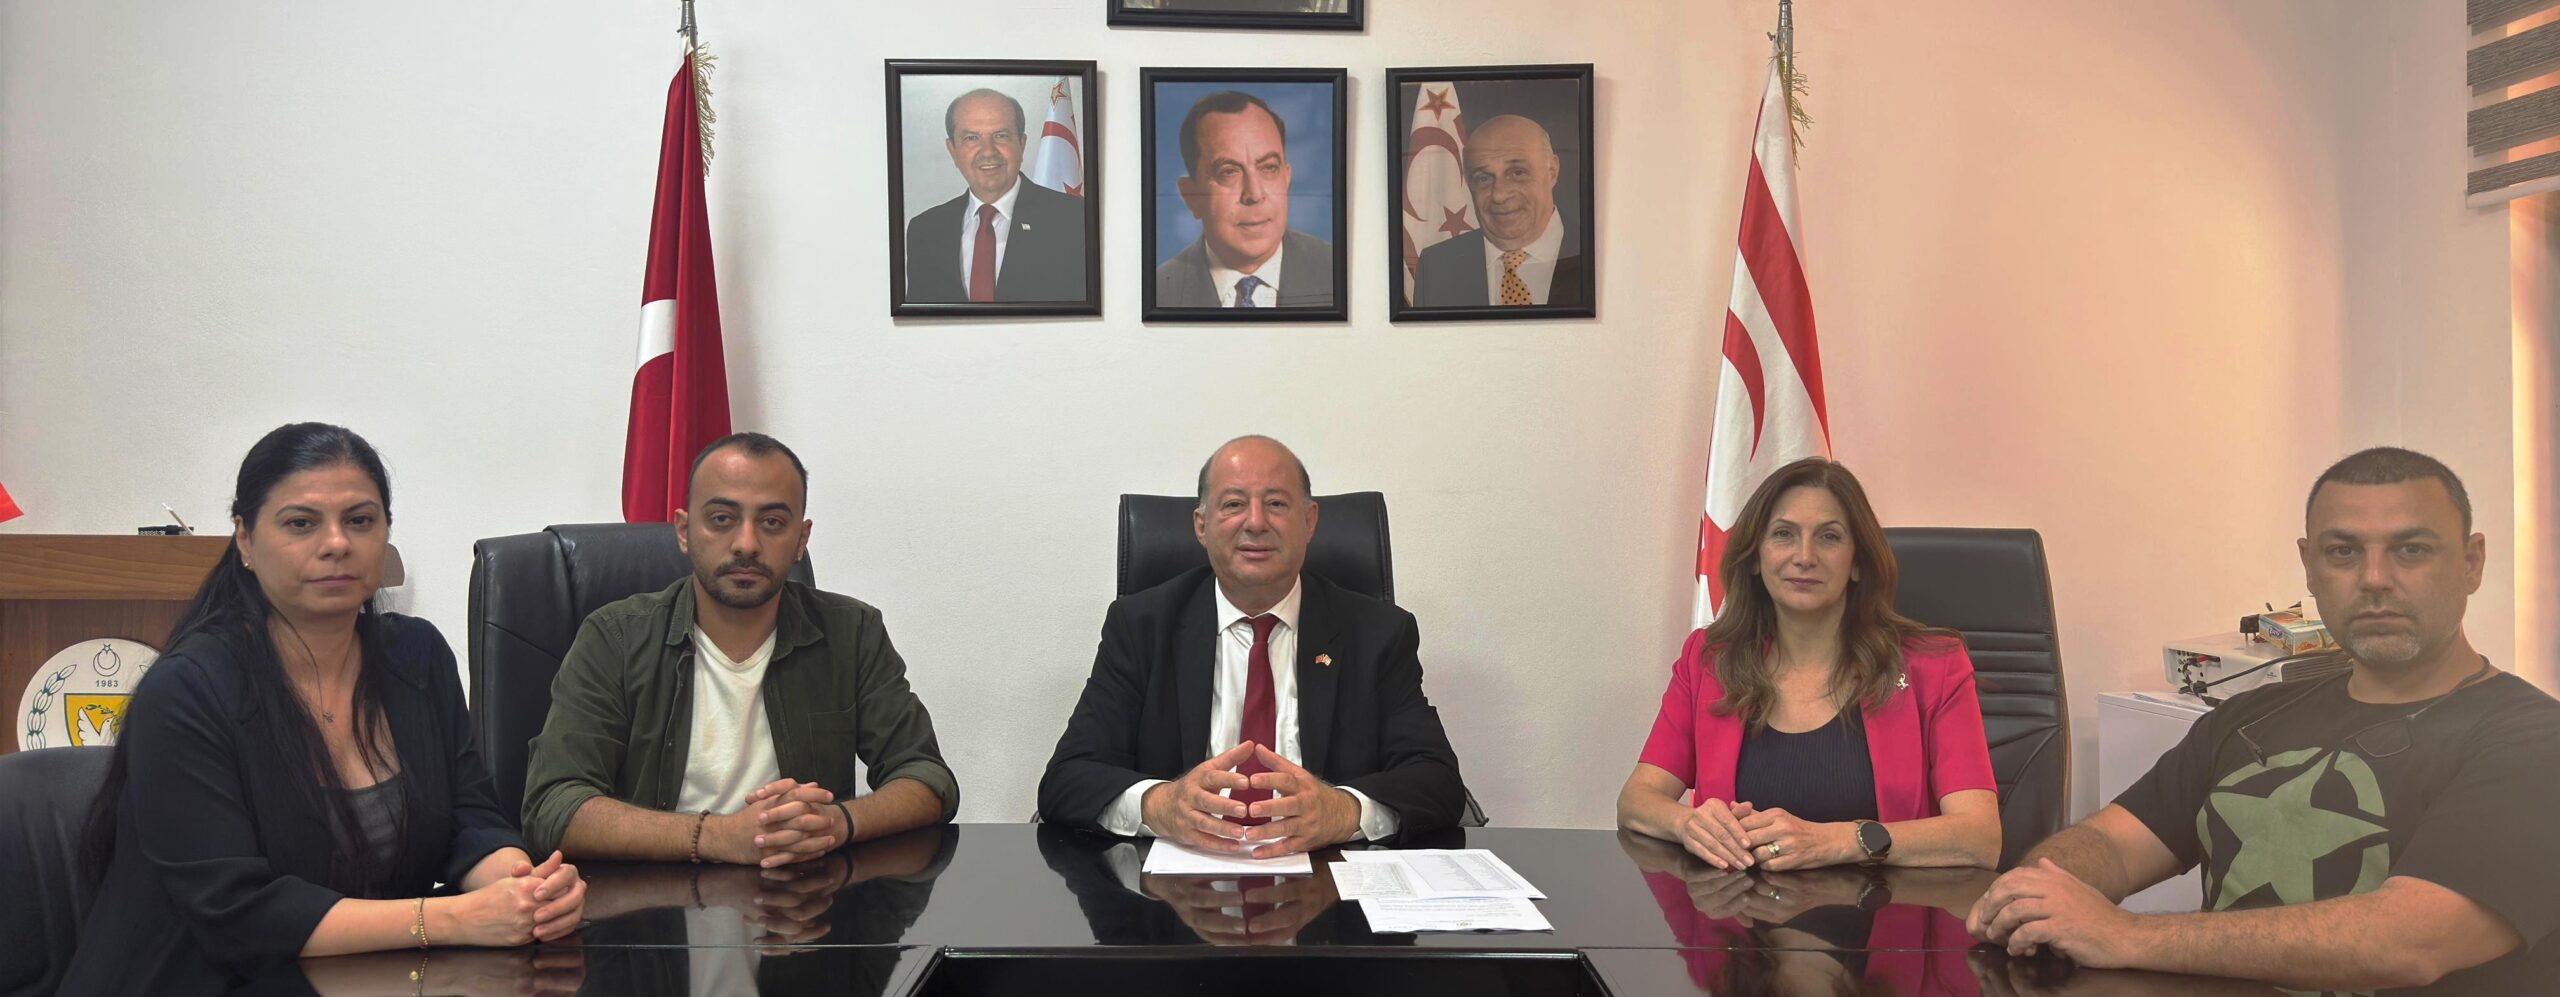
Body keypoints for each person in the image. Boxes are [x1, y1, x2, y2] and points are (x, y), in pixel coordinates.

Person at [1969, 447, 2560, 992]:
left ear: (2472, 563)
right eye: (2343, 551)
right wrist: (2037, 893)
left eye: (2411, 550)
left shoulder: (2534, 743)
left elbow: (2412, 940)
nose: (2375, 578)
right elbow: (2112, 845)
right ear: (2309, 566)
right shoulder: (2252, 716)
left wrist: (2125, 934)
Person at [63, 423, 584, 995]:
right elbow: (238, 912)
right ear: (244, 539)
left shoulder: (416, 655)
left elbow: (469, 816)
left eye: (360, 521)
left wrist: (525, 886)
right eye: (300, 523)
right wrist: (452, 918)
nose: (337, 543)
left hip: (365, 979)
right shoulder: (188, 689)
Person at [521, 432, 959, 868]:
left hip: (804, 896)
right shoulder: (614, 638)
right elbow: (553, 805)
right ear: (684, 531)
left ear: (801, 539)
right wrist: (717, 836)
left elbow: (927, 778)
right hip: (654, 897)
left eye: (772, 523)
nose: (746, 544)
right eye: (721, 519)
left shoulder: (852, 632)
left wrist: (838, 823)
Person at [1039, 435, 1467, 855]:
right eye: (1233, 504)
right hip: (1177, 879)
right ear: (1202, 526)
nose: (1256, 522)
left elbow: (1437, 782)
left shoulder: (1377, 633)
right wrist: (1159, 805)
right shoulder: (1140, 627)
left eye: (1277, 503)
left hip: (1327, 878)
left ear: (1309, 521)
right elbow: (1067, 778)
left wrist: (1343, 811)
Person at [1619, 456, 2002, 874]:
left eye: (1829, 537)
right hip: (1736, 912)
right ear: (1755, 557)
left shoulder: (1934, 667)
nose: (1804, 556)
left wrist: (1838, 841)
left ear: (1857, 562)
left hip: (1887, 911)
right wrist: (1687, 824)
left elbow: (1980, 838)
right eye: (1783, 534)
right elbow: (1637, 800)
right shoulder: (1710, 660)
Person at [903, 87, 1088, 304]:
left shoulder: (1075, 220)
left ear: (1022, 144)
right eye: (971, 138)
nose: (988, 151)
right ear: (952, 150)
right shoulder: (925, 230)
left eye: (1001, 136)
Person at [1155, 92, 1336, 309]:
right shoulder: (1160, 292)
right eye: (1229, 172)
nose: (1254, 194)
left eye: (1269, 168)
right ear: (1191, 196)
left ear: (1286, 179)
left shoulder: (1339, 271)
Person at [1411, 114, 1587, 308]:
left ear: (1552, 171)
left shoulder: (1599, 255)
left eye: (1517, 173)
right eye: (1483, 178)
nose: (1499, 195)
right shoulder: (1436, 267)